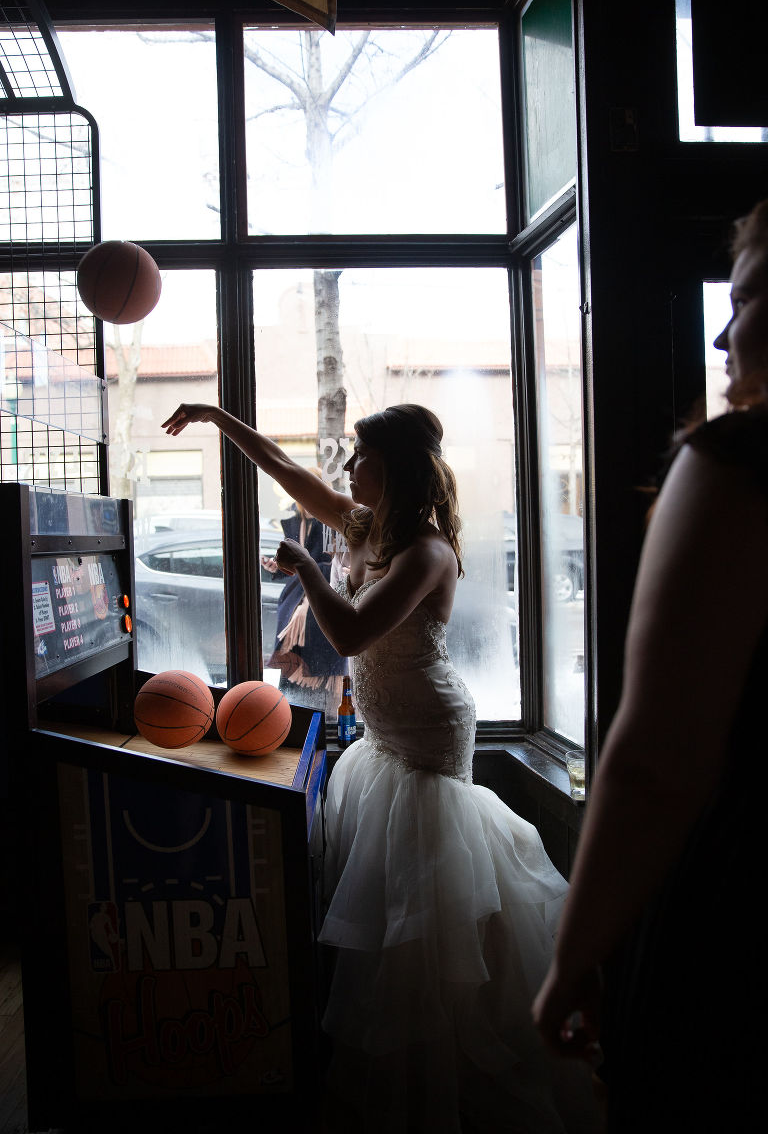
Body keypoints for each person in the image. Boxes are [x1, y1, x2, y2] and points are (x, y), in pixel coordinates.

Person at [163, 401, 601, 1133]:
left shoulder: (427, 551)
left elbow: (357, 634)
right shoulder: (366, 527)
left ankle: (446, 1082)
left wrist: (305, 564)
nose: (345, 470)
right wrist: (215, 417)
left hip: (427, 736)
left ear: (390, 466)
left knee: (424, 922)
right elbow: (284, 469)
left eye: (358, 456)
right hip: (383, 742)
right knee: (391, 910)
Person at [532, 199, 768, 1133]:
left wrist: (576, 956)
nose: (722, 329)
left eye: (745, 298)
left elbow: (657, 760)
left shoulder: (739, 464)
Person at [261, 473, 348, 710]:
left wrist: (304, 564)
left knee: (321, 676)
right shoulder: (293, 520)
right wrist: (277, 568)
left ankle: (320, 715)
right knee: (294, 676)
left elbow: (337, 567)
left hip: (319, 602)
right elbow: (292, 567)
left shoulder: (330, 521)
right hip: (295, 604)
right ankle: (294, 714)